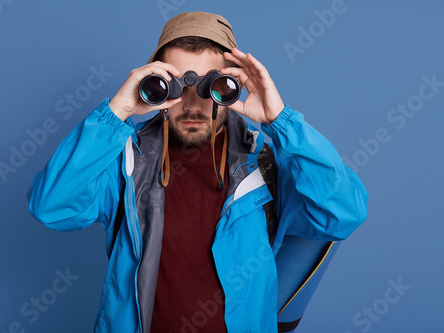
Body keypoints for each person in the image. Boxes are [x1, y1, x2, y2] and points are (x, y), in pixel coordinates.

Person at [28, 11, 368, 333]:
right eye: (173, 85)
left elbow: (343, 214)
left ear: (234, 82)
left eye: (211, 86)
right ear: (152, 82)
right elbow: (52, 208)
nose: (192, 104)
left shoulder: (266, 163)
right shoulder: (124, 161)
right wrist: (116, 112)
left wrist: (281, 121)